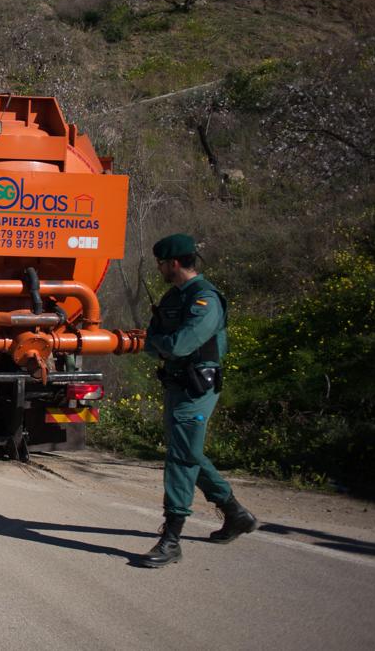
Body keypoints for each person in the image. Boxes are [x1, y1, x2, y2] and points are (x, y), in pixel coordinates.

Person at [137, 233, 258, 568]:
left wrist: (161, 342)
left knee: (180, 457)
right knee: (186, 451)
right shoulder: (172, 298)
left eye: (161, 263)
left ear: (174, 263)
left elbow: (179, 344)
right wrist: (161, 342)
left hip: (197, 388)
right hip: (175, 385)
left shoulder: (205, 299)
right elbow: (153, 343)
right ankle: (235, 513)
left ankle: (171, 538)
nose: (159, 268)